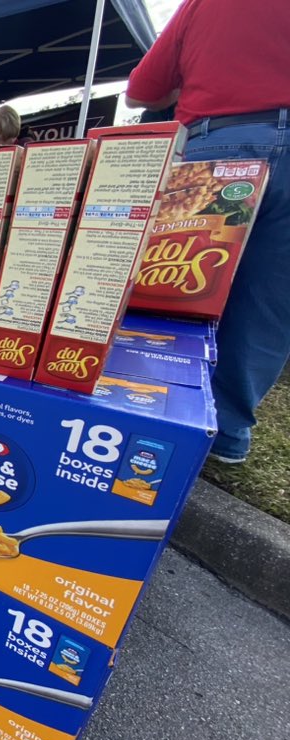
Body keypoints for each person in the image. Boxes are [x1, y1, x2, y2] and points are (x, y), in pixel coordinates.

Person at [126, 0, 290, 465]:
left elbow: (141, 91)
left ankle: (163, 415)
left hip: (221, 137)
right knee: (271, 304)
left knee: (177, 288)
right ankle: (228, 436)